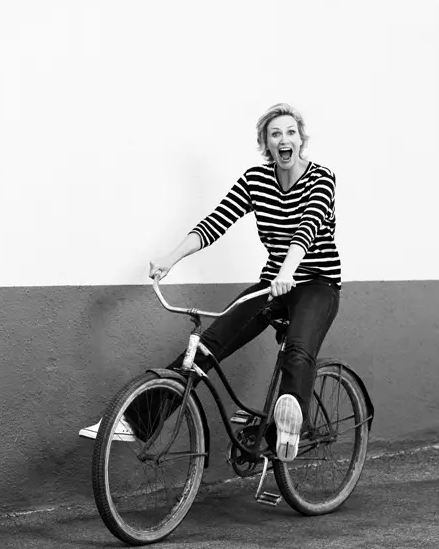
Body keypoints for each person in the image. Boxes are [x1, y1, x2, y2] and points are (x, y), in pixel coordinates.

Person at [79, 103, 341, 462]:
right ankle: (137, 421)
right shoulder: (256, 181)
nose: (284, 139)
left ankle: (289, 428)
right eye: (275, 133)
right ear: (266, 143)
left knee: (297, 351)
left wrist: (288, 271)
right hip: (273, 285)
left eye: (291, 132)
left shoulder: (321, 178)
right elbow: (215, 222)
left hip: (317, 285)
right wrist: (170, 259)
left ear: (301, 139)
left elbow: (307, 228)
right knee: (204, 349)